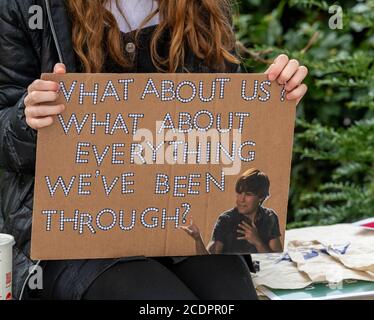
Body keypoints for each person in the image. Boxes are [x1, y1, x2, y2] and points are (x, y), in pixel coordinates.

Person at [0, 0, 308, 300]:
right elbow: (5, 128)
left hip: (180, 223)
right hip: (75, 236)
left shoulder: (204, 6)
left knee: (231, 294)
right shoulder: (26, 6)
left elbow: (224, 123)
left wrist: (271, 96)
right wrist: (27, 119)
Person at [181, 168, 282, 255]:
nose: (241, 199)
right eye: (239, 193)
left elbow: (277, 259)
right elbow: (208, 261)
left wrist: (257, 241)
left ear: (261, 197)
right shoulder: (226, 220)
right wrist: (198, 239)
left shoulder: (269, 217)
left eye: (248, 194)